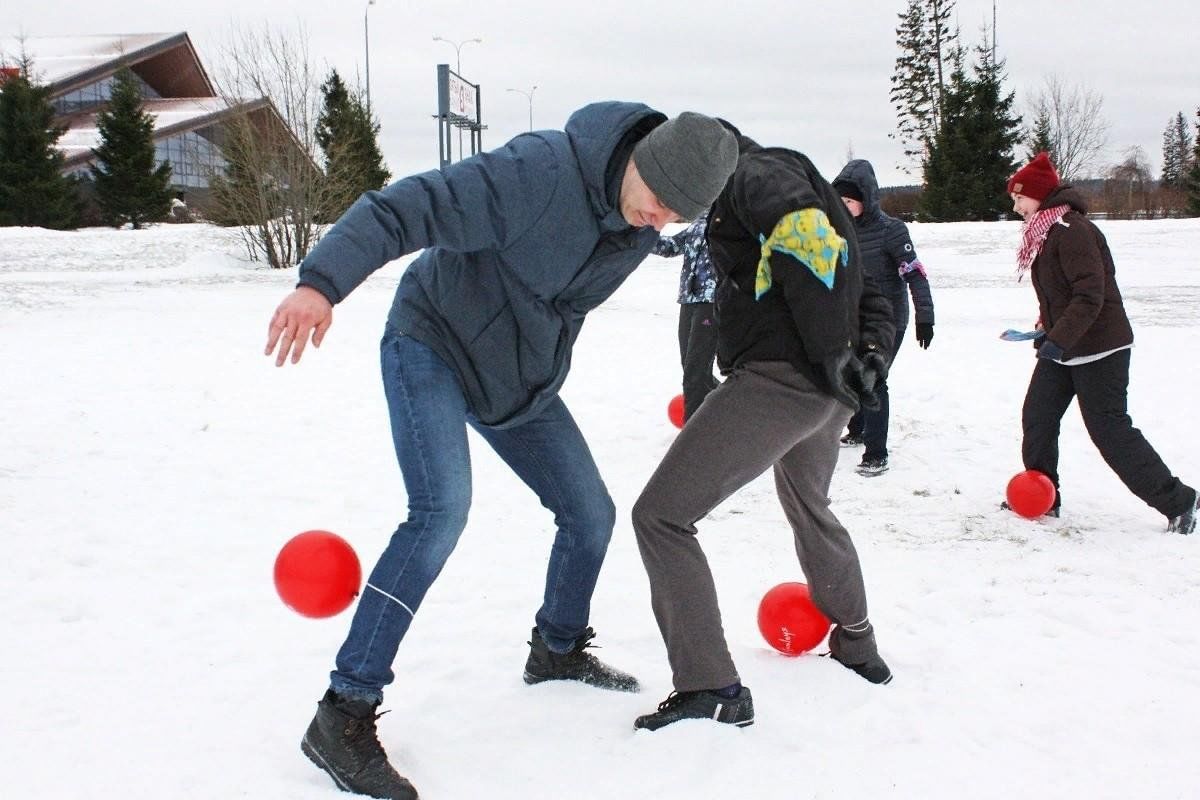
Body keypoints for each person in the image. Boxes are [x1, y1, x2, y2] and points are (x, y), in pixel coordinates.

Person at [264, 104, 739, 798]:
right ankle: (344, 711)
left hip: (515, 381)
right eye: (660, 202)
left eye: (675, 216)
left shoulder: (638, 229)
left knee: (591, 513)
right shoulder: (538, 173)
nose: (659, 221)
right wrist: (321, 282)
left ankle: (557, 649)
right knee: (441, 511)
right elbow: (407, 208)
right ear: (643, 161)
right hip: (430, 345)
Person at [630, 122, 897, 732]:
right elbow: (862, 283)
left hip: (783, 381)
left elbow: (808, 244)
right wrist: (868, 355)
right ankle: (856, 641)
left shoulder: (757, 173)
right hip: (826, 391)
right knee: (810, 504)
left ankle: (710, 686)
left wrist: (834, 350)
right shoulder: (791, 181)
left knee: (662, 516)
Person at [1005, 152, 1197, 533]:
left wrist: (1057, 338)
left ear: (1040, 195)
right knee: (1038, 418)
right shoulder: (1046, 231)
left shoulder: (1072, 231)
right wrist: (1048, 330)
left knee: (1109, 432)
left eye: (1019, 198)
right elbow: (1060, 295)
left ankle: (1179, 500)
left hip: (1101, 348)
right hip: (1064, 346)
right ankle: (1044, 496)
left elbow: (1089, 296)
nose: (1016, 207)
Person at [832, 159, 935, 477]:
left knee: (873, 378)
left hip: (890, 318)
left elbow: (915, 274)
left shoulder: (892, 230)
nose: (844, 206)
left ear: (866, 198)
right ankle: (858, 429)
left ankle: (877, 453)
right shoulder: (840, 232)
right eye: (841, 201)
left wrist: (925, 316)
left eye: (850, 200)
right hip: (856, 317)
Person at [654, 214, 719, 421]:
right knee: (691, 366)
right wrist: (643, 235)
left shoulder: (731, 223)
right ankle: (731, 406)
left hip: (712, 301)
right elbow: (670, 247)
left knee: (695, 369)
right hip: (689, 300)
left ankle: (694, 427)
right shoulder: (698, 224)